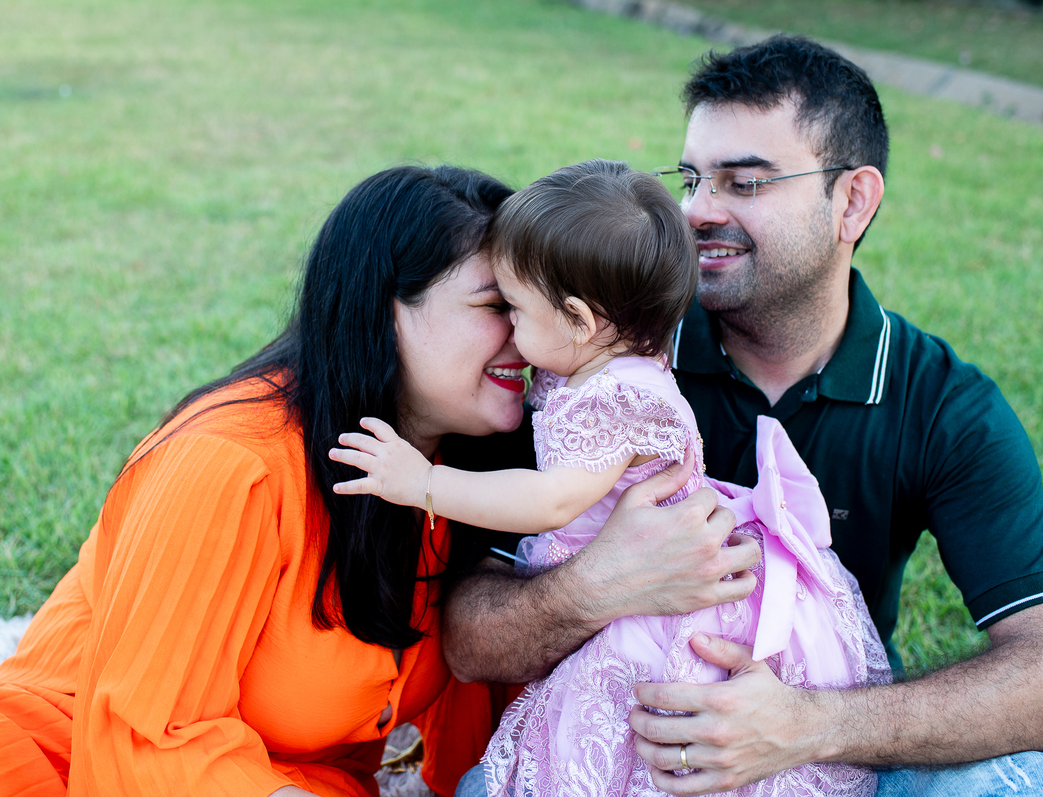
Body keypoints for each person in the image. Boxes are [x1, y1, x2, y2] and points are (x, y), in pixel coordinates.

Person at [444, 36, 1043, 797]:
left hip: (834, 761)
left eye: (745, 183)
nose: (696, 212)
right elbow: (469, 636)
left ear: (852, 201)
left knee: (1022, 784)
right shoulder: (598, 354)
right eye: (691, 178)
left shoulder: (941, 402)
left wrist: (803, 725)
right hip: (614, 758)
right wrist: (599, 583)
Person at [328, 160, 891, 797]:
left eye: (511, 308)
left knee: (610, 749)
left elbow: (549, 500)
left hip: (654, 602)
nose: (508, 332)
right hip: (634, 571)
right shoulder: (608, 367)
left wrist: (423, 483)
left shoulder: (612, 398)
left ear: (577, 320)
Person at [0, 165, 539, 797]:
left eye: (535, 307)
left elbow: (492, 720)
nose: (528, 338)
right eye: (498, 305)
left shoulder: (463, 472)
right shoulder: (227, 464)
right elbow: (149, 740)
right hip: (72, 766)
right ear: (383, 309)